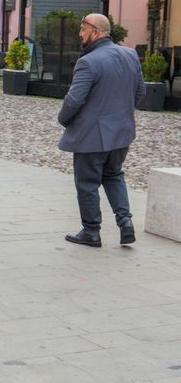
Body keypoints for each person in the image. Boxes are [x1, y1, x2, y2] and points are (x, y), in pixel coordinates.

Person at [59, 13, 145, 248]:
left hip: (92, 135)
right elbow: (140, 92)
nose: (80, 33)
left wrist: (63, 119)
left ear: (96, 31)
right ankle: (125, 221)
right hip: (122, 132)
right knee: (114, 174)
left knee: (87, 182)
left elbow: (74, 99)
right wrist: (121, 115)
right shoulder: (130, 54)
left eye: (83, 29)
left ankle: (91, 231)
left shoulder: (88, 61)